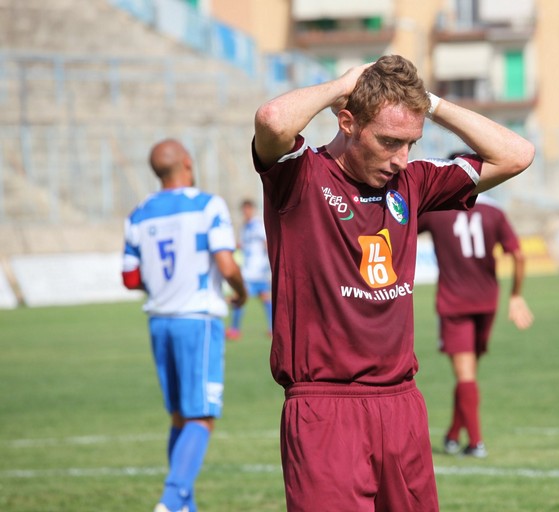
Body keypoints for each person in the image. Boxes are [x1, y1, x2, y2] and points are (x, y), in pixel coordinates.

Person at [252, 55, 534, 511]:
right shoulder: (300, 176)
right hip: (326, 407)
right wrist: (342, 83)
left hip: (402, 405)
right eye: (388, 141)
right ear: (347, 122)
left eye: (411, 143)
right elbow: (272, 119)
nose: (402, 159)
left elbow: (517, 154)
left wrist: (431, 103)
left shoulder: (414, 183)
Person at [121, 138, 247, 512]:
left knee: (179, 415)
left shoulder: (139, 214)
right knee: (202, 415)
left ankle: (184, 504)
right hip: (198, 319)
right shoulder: (207, 205)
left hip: (160, 320)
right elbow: (225, 264)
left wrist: (161, 284)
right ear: (188, 163)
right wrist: (239, 292)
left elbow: (129, 277)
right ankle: (172, 500)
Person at [418, 185, 534, 458]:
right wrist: (516, 295)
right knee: (468, 374)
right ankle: (453, 434)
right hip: (487, 302)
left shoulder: (438, 209)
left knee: (465, 375)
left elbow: (401, 229)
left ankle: (476, 443)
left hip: (454, 303)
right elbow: (518, 254)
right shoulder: (494, 211)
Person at [225, 198, 272, 340]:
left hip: (260, 270)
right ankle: (235, 329)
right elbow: (243, 246)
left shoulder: (258, 225)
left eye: (248, 209)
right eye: (244, 209)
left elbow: (266, 243)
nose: (246, 212)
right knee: (243, 297)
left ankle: (273, 328)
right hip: (248, 271)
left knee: (265, 299)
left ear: (252, 209)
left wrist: (269, 265)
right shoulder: (244, 228)